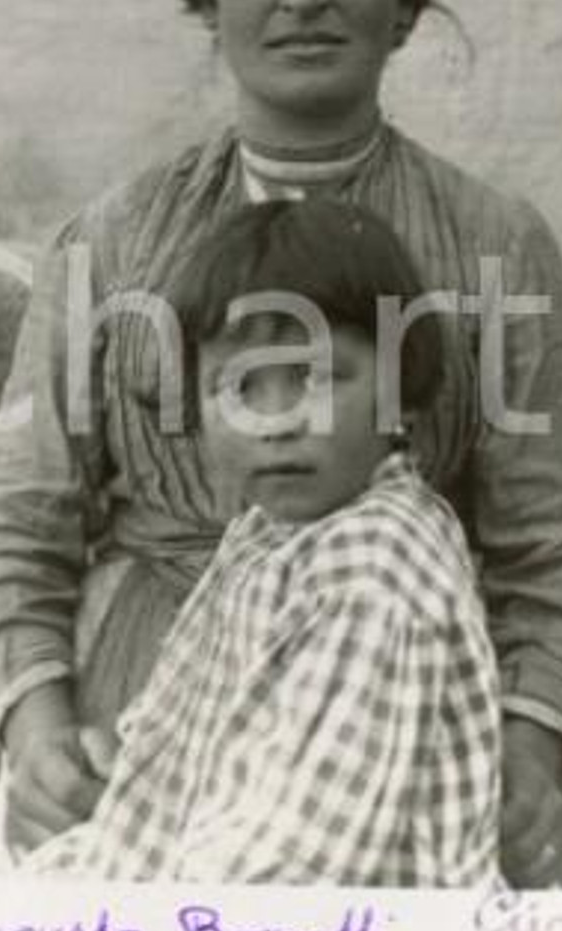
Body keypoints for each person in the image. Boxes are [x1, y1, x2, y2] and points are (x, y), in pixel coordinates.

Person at [0, 0, 562, 886]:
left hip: (382, 721)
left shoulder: (497, 243)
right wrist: (34, 727)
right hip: (138, 719)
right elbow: (16, 533)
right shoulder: (107, 243)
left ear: (404, 0)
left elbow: (552, 560)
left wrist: (527, 742)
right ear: (208, 3)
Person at [26, 198, 501, 884]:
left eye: (313, 377)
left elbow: (290, 868)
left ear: (399, 393)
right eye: (243, 386)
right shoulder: (271, 535)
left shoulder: (371, 578)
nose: (277, 423)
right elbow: (210, 746)